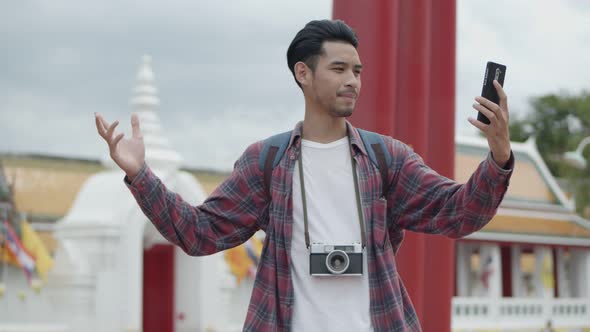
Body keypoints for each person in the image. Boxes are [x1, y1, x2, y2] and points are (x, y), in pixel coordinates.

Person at [95, 20, 514, 332]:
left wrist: (497, 157)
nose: (352, 81)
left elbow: (458, 214)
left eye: (358, 71)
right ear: (303, 73)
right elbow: (200, 232)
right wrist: (140, 175)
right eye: (339, 69)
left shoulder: (387, 158)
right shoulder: (267, 162)